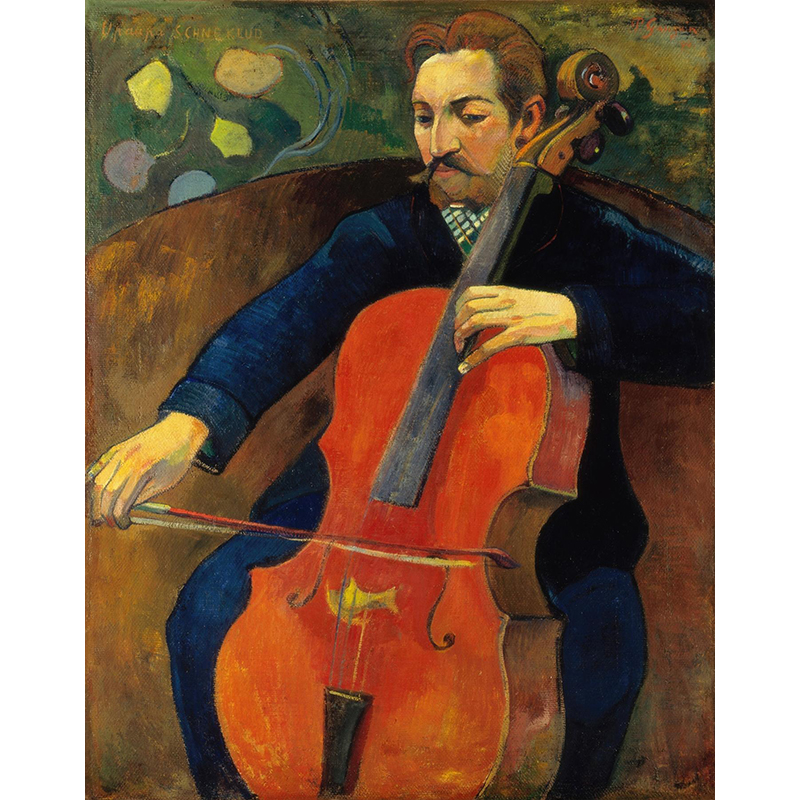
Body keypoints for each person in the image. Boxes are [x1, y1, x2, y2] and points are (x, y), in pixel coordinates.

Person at [87, 10, 713, 800]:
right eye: (424, 116)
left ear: (529, 121)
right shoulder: (384, 237)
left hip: (537, 525)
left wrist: (577, 314)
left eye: (468, 115)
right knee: (207, 608)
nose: (438, 142)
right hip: (353, 505)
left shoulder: (590, 238)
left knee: (605, 643)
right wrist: (188, 425)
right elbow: (282, 323)